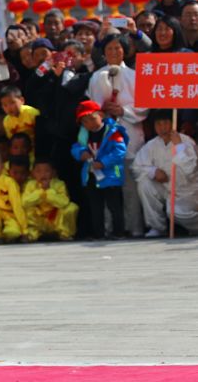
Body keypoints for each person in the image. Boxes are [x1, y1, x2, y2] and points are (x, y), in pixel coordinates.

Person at [86, 34, 147, 236]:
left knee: (130, 186)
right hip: (105, 140)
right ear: (103, 52)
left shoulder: (135, 75)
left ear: (125, 50)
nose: (114, 52)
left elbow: (144, 106)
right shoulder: (96, 77)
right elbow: (92, 107)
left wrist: (123, 111)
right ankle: (109, 228)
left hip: (130, 134)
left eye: (118, 48)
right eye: (110, 48)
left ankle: (134, 227)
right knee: (107, 185)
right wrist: (102, 111)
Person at [132, 109, 198, 237]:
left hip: (186, 191)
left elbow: (190, 170)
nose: (162, 128)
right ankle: (156, 227)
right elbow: (137, 167)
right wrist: (153, 171)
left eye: (166, 123)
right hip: (165, 188)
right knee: (145, 183)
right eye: (158, 124)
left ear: (173, 123)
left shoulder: (186, 141)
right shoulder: (151, 145)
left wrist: (179, 146)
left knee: (175, 213)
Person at [71, 101, 128, 240]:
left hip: (110, 174)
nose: (89, 123)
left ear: (101, 115)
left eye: (92, 118)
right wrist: (81, 153)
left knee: (114, 206)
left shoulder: (113, 131)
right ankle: (99, 233)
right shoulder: (83, 134)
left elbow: (119, 151)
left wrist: (103, 162)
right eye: (84, 121)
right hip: (91, 174)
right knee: (95, 206)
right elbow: (76, 147)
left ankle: (118, 232)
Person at [22, 159, 78, 241]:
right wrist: (41, 192)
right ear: (33, 173)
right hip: (39, 220)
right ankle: (32, 234)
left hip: (55, 220)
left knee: (72, 207)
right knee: (27, 209)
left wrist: (48, 192)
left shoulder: (59, 184)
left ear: (53, 173)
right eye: (38, 171)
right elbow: (25, 202)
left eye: (47, 171)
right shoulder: (30, 185)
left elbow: (64, 202)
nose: (43, 174)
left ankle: (65, 234)